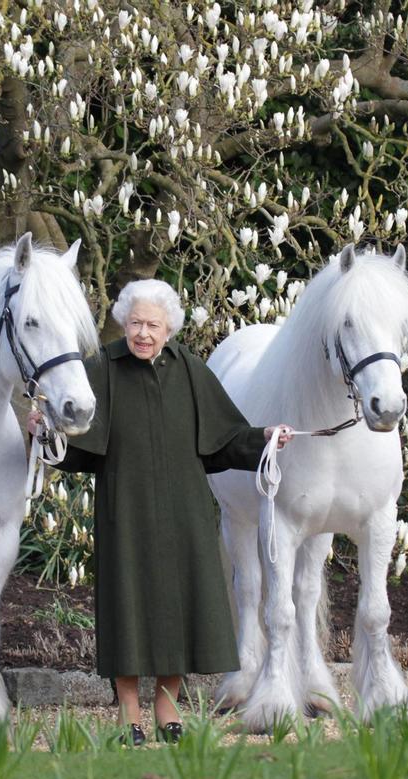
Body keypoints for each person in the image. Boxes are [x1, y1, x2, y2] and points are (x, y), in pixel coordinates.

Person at [29, 279, 291, 745]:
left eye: (152, 324)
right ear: (123, 324)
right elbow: (74, 445)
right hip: (123, 510)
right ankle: (129, 708)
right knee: (127, 607)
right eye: (134, 323)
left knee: (180, 608)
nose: (143, 333)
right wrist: (43, 431)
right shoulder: (102, 368)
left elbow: (225, 439)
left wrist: (267, 436)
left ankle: (166, 703)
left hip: (184, 512)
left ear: (169, 327)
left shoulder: (190, 370)